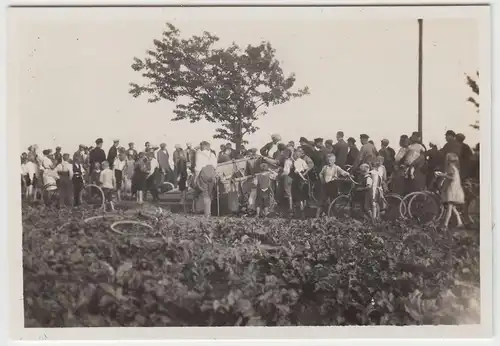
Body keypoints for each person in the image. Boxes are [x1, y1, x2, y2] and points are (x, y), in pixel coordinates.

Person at [436, 153, 465, 229]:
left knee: (449, 208)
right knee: (452, 207)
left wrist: (442, 175)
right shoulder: (455, 168)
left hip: (452, 189)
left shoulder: (450, 167)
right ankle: (459, 222)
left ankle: (445, 225)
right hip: (455, 189)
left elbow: (451, 177)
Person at [194, 141, 218, 217]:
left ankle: (207, 214)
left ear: (202, 146)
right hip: (212, 173)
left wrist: (195, 178)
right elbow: (215, 166)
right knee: (210, 193)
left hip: (204, 173)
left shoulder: (199, 154)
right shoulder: (212, 154)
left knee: (205, 194)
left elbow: (198, 167)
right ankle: (209, 211)